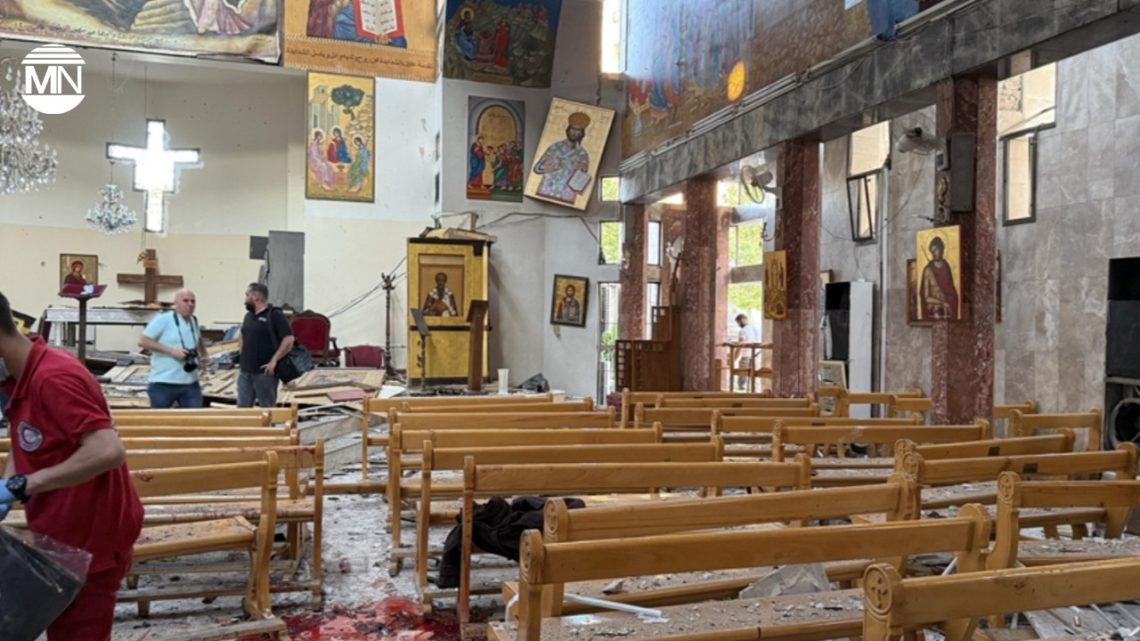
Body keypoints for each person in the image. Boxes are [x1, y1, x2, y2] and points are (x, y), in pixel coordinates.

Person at [0, 290, 143, 641]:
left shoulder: (53, 378)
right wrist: (8, 483)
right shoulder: (20, 377)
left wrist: (25, 485)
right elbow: (25, 437)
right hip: (60, 534)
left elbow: (107, 450)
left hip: (90, 542)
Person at [138, 289, 209, 409]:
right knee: (159, 419)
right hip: (164, 383)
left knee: (195, 418)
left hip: (190, 382)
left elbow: (199, 339)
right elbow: (142, 341)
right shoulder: (163, 319)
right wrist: (171, 351)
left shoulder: (193, 320)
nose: (190, 304)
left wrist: (203, 355)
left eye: (193, 301)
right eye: (185, 301)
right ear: (175, 303)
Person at [237, 283, 294, 408]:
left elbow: (289, 340)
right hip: (245, 371)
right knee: (242, 409)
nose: (244, 300)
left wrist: (274, 360)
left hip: (264, 373)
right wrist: (242, 354)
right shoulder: (249, 316)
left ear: (255, 297)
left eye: (247, 295)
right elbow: (243, 334)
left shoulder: (275, 315)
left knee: (267, 409)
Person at [534, 112, 592, 204]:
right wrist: (552, 167)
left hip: (566, 194)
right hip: (548, 189)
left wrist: (578, 172)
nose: (575, 133)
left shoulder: (582, 154)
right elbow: (537, 169)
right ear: (568, 130)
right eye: (573, 129)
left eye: (578, 131)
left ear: (582, 134)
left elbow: (581, 179)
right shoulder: (555, 147)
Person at [920, 236, 959, 320]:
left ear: (941, 249)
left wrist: (950, 300)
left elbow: (951, 290)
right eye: (932, 251)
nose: (933, 254)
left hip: (946, 308)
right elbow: (926, 297)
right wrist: (942, 303)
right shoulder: (928, 270)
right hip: (934, 308)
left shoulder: (946, 267)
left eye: (935, 250)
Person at [732, 313, 762, 390]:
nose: (738, 325)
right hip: (757, 355)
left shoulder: (743, 330)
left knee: (743, 375)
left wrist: (735, 358)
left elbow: (741, 344)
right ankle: (754, 391)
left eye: (738, 322)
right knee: (755, 375)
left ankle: (741, 391)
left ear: (742, 320)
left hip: (746, 356)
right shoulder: (757, 328)